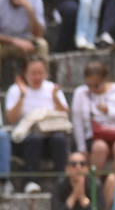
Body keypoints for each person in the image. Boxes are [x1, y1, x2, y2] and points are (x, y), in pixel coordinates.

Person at [4, 56, 69, 194]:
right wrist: (22, 96)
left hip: (50, 138)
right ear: (25, 73)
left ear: (46, 73)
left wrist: (56, 98)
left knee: (59, 139)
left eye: (40, 73)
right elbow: (11, 119)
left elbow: (65, 115)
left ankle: (61, 181)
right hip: (24, 141)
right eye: (33, 73)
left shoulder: (52, 88)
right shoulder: (15, 90)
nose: (37, 76)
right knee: (34, 139)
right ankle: (30, 181)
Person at [69, 60, 115, 174]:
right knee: (100, 147)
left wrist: (109, 111)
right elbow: (77, 122)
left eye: (96, 85)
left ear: (105, 79)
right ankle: (94, 186)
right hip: (94, 137)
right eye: (89, 85)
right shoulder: (81, 93)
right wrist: (82, 148)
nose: (92, 89)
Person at [0, 0, 46, 69]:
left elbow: (38, 34)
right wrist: (14, 41)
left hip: (27, 42)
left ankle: (40, 79)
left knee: (42, 44)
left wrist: (30, 11)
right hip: (4, 43)